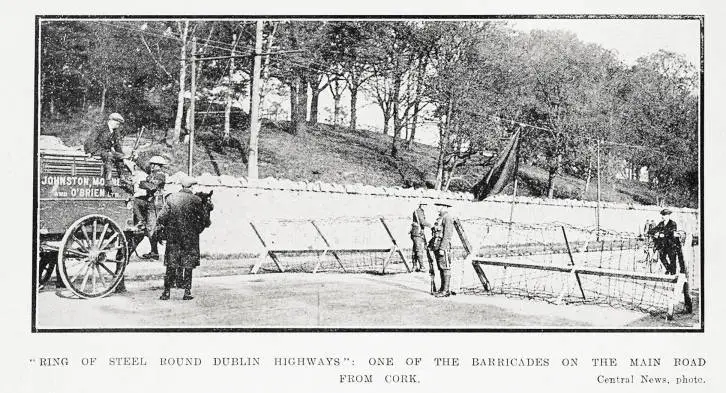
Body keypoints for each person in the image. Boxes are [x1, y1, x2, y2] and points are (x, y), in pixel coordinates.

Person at [156, 176, 211, 300]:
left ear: (182, 186)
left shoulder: (171, 198)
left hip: (173, 237)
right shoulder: (197, 200)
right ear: (192, 187)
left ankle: (166, 292)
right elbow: (205, 220)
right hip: (190, 238)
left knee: (171, 264)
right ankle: (187, 292)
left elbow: (161, 218)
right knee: (188, 264)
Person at [83, 112, 131, 194]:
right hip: (97, 150)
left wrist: (122, 156)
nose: (118, 126)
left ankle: (123, 177)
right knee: (109, 155)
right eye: (117, 123)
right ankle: (108, 181)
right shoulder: (100, 128)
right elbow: (90, 141)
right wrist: (90, 152)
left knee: (119, 157)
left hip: (107, 152)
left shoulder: (115, 132)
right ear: (111, 121)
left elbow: (117, 146)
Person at [132, 155, 168, 260]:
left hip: (156, 204)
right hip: (149, 200)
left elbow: (152, 187)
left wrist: (141, 183)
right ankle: (141, 221)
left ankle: (154, 252)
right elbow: (144, 167)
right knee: (135, 201)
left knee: (151, 228)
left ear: (159, 166)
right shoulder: (152, 173)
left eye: (154, 164)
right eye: (151, 164)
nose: (151, 166)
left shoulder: (160, 175)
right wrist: (136, 158)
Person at [648, 209, 685, 275]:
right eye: (662, 215)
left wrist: (662, 234)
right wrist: (650, 232)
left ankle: (673, 273)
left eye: (664, 215)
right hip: (663, 245)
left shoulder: (672, 223)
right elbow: (655, 229)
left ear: (668, 216)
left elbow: (671, 232)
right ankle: (669, 269)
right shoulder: (661, 223)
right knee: (662, 257)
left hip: (671, 244)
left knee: (672, 259)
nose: (663, 216)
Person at [429, 202, 455, 297]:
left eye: (439, 206)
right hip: (437, 245)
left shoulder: (447, 218)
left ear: (444, 207)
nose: (437, 208)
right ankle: (442, 289)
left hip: (443, 247)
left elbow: (447, 235)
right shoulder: (440, 218)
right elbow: (436, 234)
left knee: (445, 267)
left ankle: (446, 290)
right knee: (440, 267)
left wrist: (442, 248)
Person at [409, 202, 432, 273]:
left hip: (416, 233)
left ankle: (414, 266)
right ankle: (422, 267)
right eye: (424, 205)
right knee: (419, 250)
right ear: (421, 205)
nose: (425, 206)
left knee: (415, 249)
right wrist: (431, 225)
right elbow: (422, 222)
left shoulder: (419, 211)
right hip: (417, 233)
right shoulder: (419, 212)